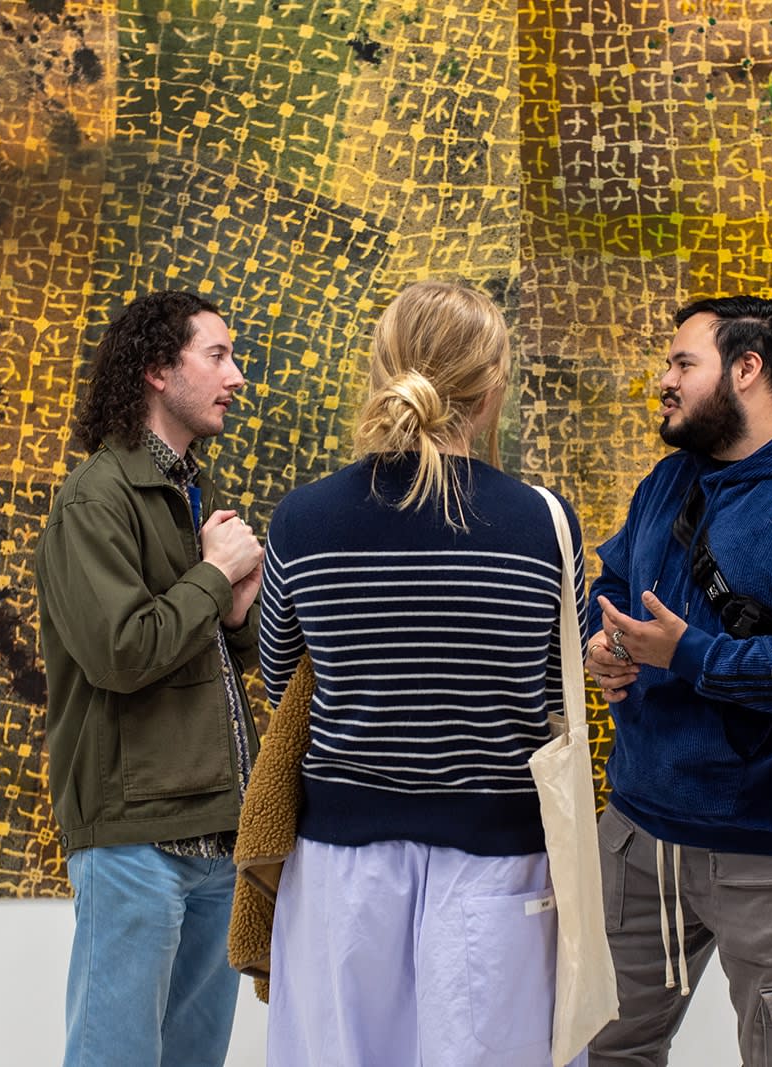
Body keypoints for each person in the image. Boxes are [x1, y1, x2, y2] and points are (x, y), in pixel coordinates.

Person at [257, 280, 589, 1066]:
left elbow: (281, 683)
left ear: (382, 368)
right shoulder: (545, 522)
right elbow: (551, 695)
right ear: (493, 383)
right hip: (500, 867)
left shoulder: (303, 520)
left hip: (341, 872)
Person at [584, 296, 772, 1066]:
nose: (664, 380)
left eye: (682, 363)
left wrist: (683, 652)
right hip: (636, 836)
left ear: (747, 369)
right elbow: (617, 584)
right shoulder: (667, 481)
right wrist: (606, 643)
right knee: (601, 1049)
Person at [35, 290, 266, 1067]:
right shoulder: (94, 500)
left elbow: (196, 655)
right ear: (158, 372)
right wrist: (212, 574)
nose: (237, 376)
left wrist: (232, 614)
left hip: (213, 841)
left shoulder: (182, 493)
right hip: (138, 844)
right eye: (218, 355)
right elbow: (122, 653)